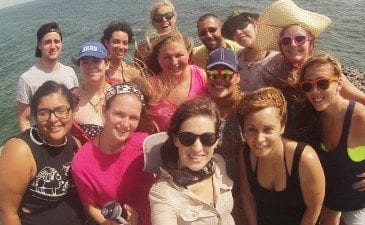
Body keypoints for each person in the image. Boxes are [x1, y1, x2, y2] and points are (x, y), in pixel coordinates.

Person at [256, 0, 365, 132]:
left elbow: (359, 97)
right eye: (286, 40)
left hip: (321, 136)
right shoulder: (276, 70)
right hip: (288, 137)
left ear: (310, 41)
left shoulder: (322, 69)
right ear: (281, 45)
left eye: (299, 39)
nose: (293, 44)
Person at [298, 53, 365, 225]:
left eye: (323, 83)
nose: (315, 92)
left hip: (358, 199)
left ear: (339, 84)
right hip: (331, 194)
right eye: (307, 86)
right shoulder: (315, 116)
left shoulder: (360, 119)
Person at [236, 87, 325, 225]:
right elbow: (247, 197)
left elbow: (313, 209)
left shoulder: (304, 158)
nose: (259, 139)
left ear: (282, 126)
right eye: (251, 129)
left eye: (268, 129)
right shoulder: (246, 154)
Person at [0, 81, 84, 225]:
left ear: (72, 110)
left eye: (61, 110)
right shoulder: (20, 151)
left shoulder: (74, 144)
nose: (53, 119)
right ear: (34, 115)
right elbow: (7, 213)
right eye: (43, 113)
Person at [71, 83, 156, 225]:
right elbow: (90, 205)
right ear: (104, 110)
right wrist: (108, 223)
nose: (125, 124)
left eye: (133, 118)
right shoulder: (82, 163)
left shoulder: (145, 145)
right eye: (119, 114)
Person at [148, 97, 235, 225]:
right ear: (176, 139)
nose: (197, 148)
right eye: (188, 138)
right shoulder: (162, 194)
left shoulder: (218, 164)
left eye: (207, 138)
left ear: (216, 141)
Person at [206, 47, 246, 225]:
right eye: (213, 73)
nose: (219, 78)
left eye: (227, 74)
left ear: (237, 76)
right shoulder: (200, 111)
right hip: (213, 198)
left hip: (249, 195)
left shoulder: (250, 109)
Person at [17, 22, 79, 131]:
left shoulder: (69, 72)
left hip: (71, 135)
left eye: (56, 41)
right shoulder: (27, 79)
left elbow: (76, 106)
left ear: (61, 44)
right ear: (39, 45)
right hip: (45, 137)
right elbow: (24, 119)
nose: (53, 46)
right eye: (47, 42)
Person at [145, 31, 207, 131]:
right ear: (158, 59)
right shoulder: (150, 86)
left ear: (188, 54)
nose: (174, 62)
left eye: (179, 55)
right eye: (167, 57)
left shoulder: (201, 76)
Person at [221, 11, 279, 93]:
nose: (238, 32)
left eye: (241, 25)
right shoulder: (234, 60)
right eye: (233, 31)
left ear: (255, 24)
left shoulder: (277, 57)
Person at [72, 41, 110, 143]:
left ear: (107, 64)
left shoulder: (119, 93)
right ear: (79, 67)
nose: (91, 66)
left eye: (96, 61)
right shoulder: (70, 99)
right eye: (85, 62)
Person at [101, 20, 142, 84]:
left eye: (125, 43)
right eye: (116, 42)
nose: (121, 47)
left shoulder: (133, 71)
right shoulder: (99, 71)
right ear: (106, 42)